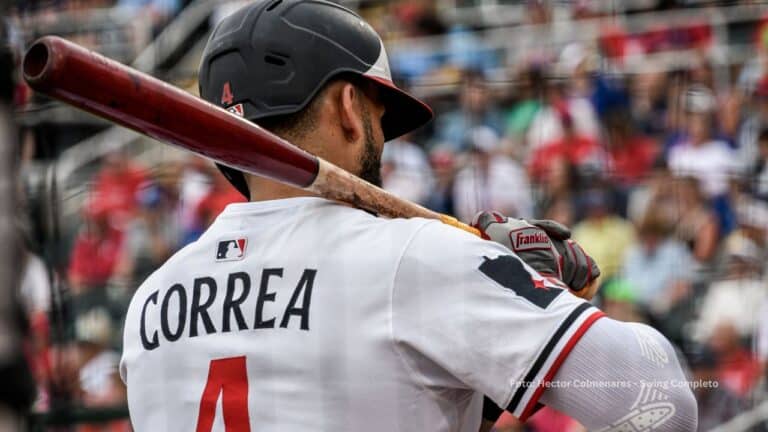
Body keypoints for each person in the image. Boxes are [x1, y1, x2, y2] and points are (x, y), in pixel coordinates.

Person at [119, 2, 697, 431]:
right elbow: (663, 403)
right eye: (378, 112)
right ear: (349, 106)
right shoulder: (417, 256)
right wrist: (544, 291)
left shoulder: (149, 303)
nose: (384, 139)